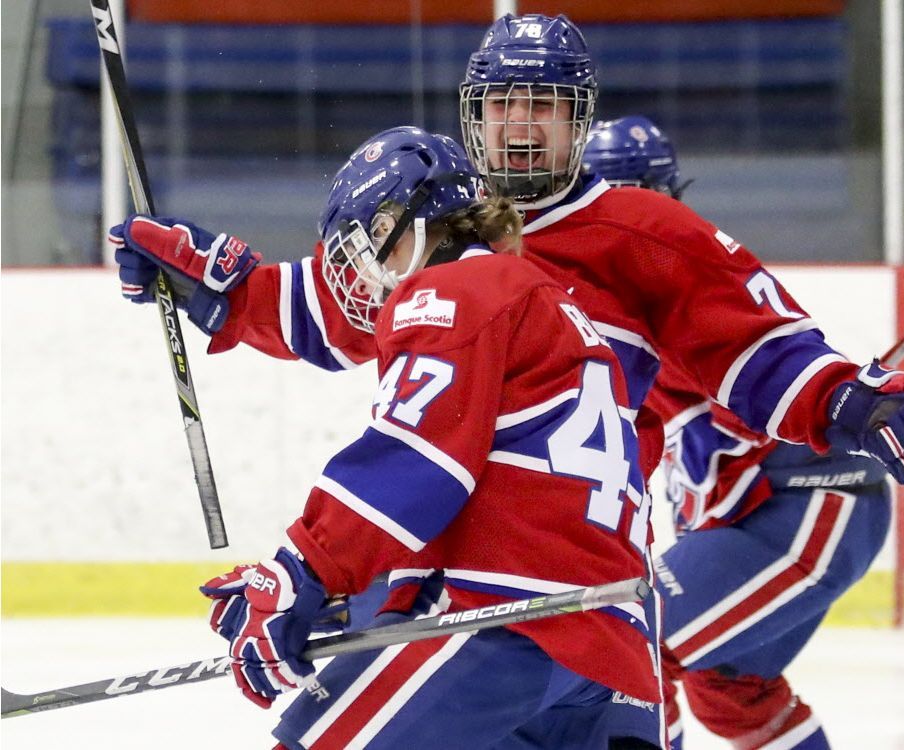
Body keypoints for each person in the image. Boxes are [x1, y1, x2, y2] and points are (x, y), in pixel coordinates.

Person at [110, 14, 904, 750]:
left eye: (544, 107)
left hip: (527, 585)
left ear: (580, 121)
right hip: (562, 597)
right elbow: (334, 302)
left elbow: (757, 350)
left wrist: (847, 402)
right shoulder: (442, 241)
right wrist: (217, 289)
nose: (521, 126)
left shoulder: (635, 234)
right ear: (472, 119)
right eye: (501, 105)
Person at [114, 126, 658, 748]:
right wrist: (347, 592)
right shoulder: (535, 300)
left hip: (505, 624)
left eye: (371, 246)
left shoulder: (455, 290)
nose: (364, 279)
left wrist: (302, 570)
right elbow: (499, 491)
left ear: (418, 223)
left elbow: (418, 462)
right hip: (605, 651)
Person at [582, 114, 899, 749]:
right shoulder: (615, 298)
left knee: (635, 646)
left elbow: (764, 391)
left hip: (811, 502)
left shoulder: (684, 283)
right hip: (766, 513)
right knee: (729, 687)